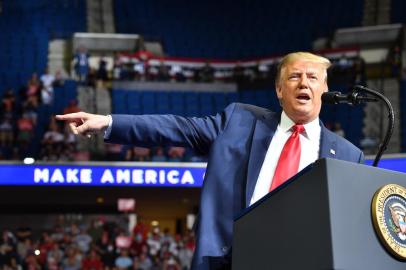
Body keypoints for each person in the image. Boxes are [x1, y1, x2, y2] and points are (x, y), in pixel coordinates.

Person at [56, 52, 364, 270]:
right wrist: (108, 122)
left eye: (313, 77)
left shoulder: (349, 155)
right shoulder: (239, 121)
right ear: (279, 89)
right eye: (294, 76)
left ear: (325, 89)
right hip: (231, 260)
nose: (303, 83)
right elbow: (176, 128)